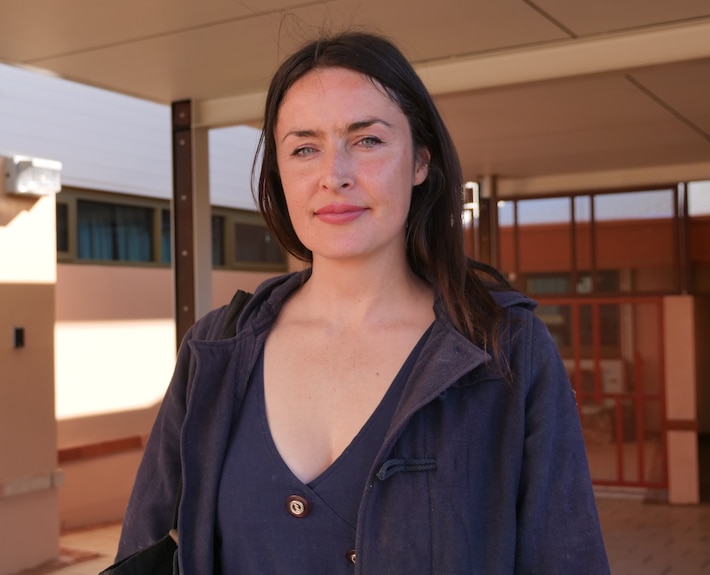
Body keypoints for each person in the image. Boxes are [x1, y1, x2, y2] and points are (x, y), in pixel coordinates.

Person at [116, 31, 610, 574]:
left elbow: (568, 558)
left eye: (367, 140)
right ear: (280, 177)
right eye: (305, 148)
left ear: (422, 161)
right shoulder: (215, 350)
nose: (334, 176)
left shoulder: (504, 350)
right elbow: (143, 555)